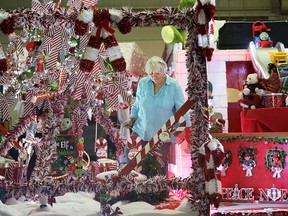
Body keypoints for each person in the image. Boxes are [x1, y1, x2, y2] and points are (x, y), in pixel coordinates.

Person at [122, 56, 191, 175]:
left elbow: (182, 108)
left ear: (163, 71)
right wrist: (132, 118)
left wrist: (185, 129)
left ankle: (159, 192)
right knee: (131, 159)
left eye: (157, 73)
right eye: (151, 73)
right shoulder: (143, 83)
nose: (154, 76)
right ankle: (133, 190)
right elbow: (137, 104)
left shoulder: (173, 86)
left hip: (162, 135)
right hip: (140, 130)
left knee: (158, 167)